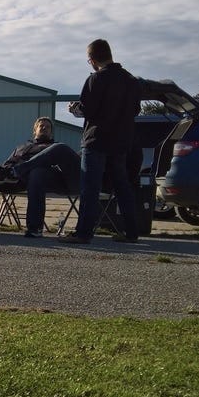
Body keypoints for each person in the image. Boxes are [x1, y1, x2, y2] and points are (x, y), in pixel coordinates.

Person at [61, 39, 142, 244]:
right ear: (110, 54)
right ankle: (131, 232)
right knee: (122, 186)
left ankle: (84, 233)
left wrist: (74, 109)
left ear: (92, 60)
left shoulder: (96, 79)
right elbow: (136, 110)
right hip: (121, 142)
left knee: (90, 188)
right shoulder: (131, 80)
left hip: (96, 140)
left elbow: (88, 109)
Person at [0, 117, 80, 237]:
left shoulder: (53, 148)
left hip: (29, 179)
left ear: (51, 132)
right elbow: (8, 161)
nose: (45, 128)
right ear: (34, 130)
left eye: (48, 127)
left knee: (33, 172)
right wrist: (4, 171)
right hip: (8, 176)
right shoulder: (21, 146)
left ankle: (34, 227)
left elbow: (51, 168)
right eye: (41, 126)